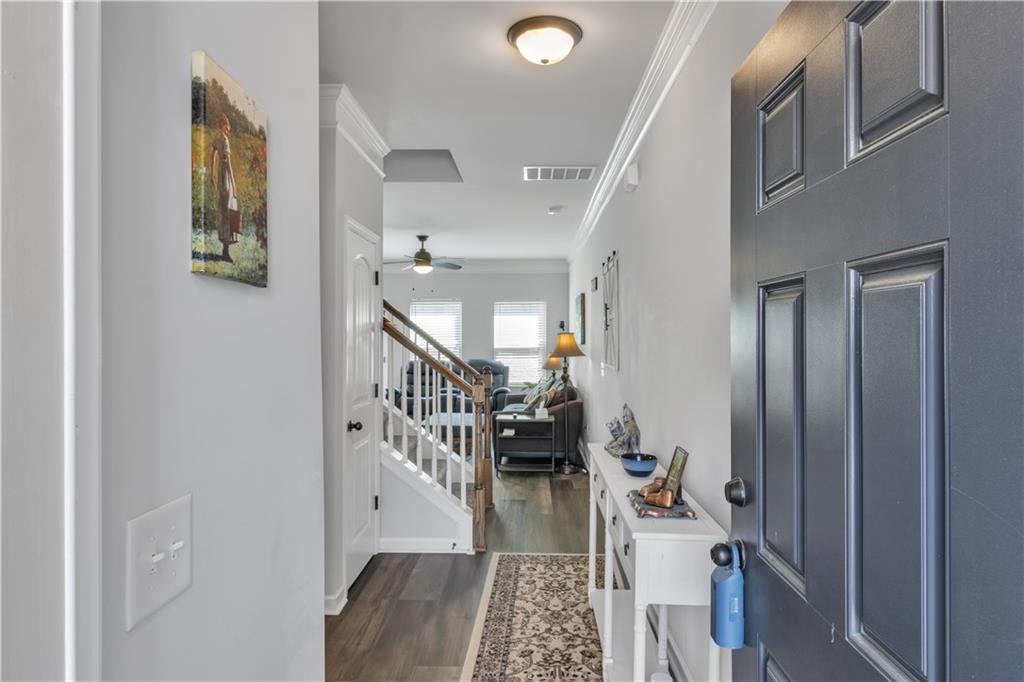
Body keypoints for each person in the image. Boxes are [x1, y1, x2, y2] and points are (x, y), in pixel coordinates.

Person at [210, 113, 239, 263]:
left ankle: (224, 249)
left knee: (223, 209)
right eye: (227, 127)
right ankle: (225, 252)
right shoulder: (225, 140)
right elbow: (229, 165)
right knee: (228, 210)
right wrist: (234, 184)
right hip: (226, 177)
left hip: (220, 176)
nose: (228, 130)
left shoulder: (216, 138)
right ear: (222, 126)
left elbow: (213, 156)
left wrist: (212, 174)